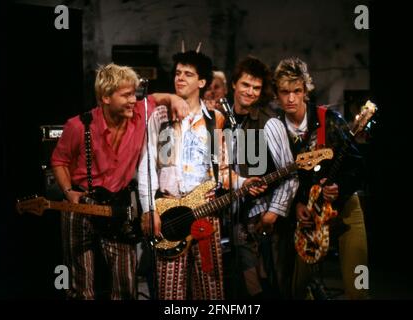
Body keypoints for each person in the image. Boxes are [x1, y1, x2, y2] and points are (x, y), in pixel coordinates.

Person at [51, 63, 189, 300]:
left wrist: (175, 98)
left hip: (117, 206)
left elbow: (158, 97)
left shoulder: (140, 112)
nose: (133, 100)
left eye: (134, 93)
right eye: (125, 95)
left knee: (126, 284)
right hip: (81, 205)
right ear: (105, 97)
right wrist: (68, 191)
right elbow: (59, 160)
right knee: (80, 287)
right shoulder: (78, 125)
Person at [138, 50, 265, 300]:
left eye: (188, 74)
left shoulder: (215, 121)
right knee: (170, 294)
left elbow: (224, 172)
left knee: (210, 290)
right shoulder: (159, 117)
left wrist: (243, 181)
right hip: (168, 213)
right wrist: (148, 209)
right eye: (177, 73)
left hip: (205, 212)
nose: (180, 78)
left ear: (202, 82)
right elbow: (146, 167)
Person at [273, 57, 369, 299]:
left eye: (297, 91)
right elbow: (280, 177)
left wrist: (339, 187)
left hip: (345, 207)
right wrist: (296, 205)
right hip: (308, 213)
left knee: (358, 290)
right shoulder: (275, 128)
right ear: (277, 94)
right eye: (285, 92)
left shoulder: (329, 119)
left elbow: (358, 164)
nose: (291, 98)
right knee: (296, 289)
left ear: (306, 90)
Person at [226, 56, 299, 299]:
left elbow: (291, 175)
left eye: (256, 88)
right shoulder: (220, 119)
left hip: (260, 221)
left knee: (263, 288)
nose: (250, 92)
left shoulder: (270, 124)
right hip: (228, 219)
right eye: (246, 85)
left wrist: (273, 212)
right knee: (235, 289)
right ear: (234, 84)